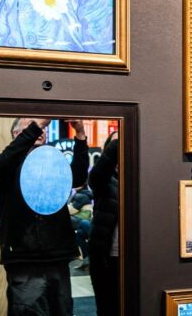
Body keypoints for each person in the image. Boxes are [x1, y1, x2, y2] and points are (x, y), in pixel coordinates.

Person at [0, 117, 88, 315]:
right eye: (31, 126)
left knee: (62, 310)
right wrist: (38, 125)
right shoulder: (6, 166)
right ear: (16, 135)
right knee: (28, 311)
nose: (40, 130)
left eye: (41, 128)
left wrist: (80, 134)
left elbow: (78, 177)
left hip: (57, 255)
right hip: (24, 259)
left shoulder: (52, 164)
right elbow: (3, 164)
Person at [88, 132, 120, 316]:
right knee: (108, 308)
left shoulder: (141, 175)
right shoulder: (104, 180)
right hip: (107, 257)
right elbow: (96, 177)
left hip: (136, 258)